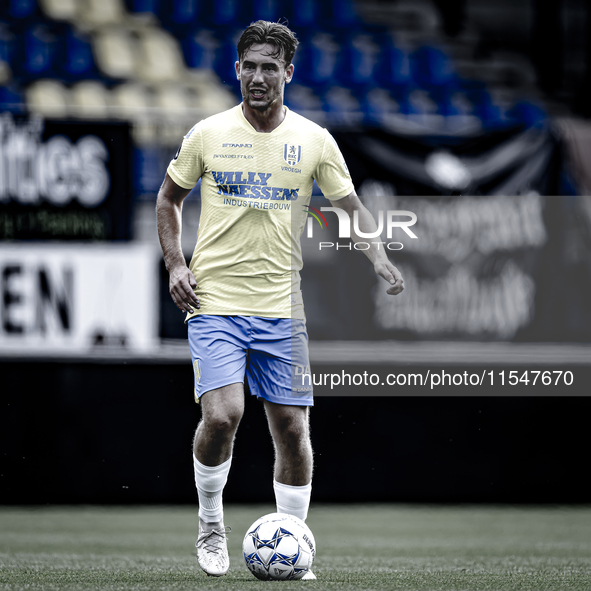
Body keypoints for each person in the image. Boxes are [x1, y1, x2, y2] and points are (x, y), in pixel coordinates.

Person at [156, 20, 404, 579]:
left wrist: (379, 256)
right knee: (223, 416)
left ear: (288, 73)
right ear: (236, 69)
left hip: (281, 310)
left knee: (292, 430)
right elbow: (168, 199)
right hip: (214, 300)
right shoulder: (208, 134)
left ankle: (295, 539)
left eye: (271, 67)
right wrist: (175, 262)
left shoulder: (315, 140)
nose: (260, 76)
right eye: (251, 65)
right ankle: (211, 526)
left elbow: (350, 207)